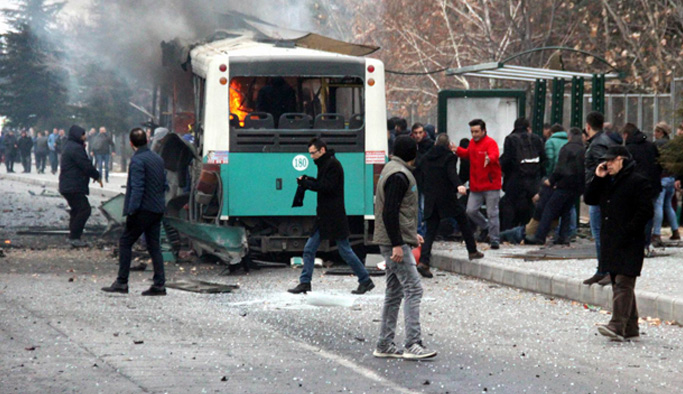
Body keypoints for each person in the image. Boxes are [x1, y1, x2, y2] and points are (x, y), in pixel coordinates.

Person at [372, 135, 436, 360]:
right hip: (393, 244)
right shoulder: (400, 175)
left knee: (394, 292)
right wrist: (398, 244)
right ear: (413, 153)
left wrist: (410, 235)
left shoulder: (391, 170)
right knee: (414, 289)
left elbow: (397, 213)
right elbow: (390, 212)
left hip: (391, 240)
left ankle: (385, 343)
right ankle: (413, 344)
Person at [288, 138, 375, 295]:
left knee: (344, 250)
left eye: (313, 153)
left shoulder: (332, 165)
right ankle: (305, 282)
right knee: (311, 249)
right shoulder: (327, 164)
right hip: (326, 216)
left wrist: (307, 184)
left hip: (332, 216)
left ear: (322, 150)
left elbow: (326, 187)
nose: (311, 157)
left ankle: (365, 279)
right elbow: (324, 184)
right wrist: (308, 180)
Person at [584, 146, 653, 342]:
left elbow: (646, 211)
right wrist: (598, 177)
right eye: (606, 161)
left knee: (624, 281)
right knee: (618, 281)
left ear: (622, 160)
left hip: (630, 240)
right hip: (611, 240)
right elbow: (590, 198)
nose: (608, 164)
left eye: (612, 161)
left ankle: (616, 324)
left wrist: (629, 230)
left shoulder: (638, 181)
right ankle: (630, 326)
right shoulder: (607, 181)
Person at [102, 128, 168, 296]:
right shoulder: (157, 159)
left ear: (131, 144)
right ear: (146, 140)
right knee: (155, 247)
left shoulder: (138, 161)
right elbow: (164, 185)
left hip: (142, 210)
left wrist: (131, 211)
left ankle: (122, 282)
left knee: (125, 242)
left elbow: (137, 188)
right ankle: (159, 285)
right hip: (157, 209)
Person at [415, 133, 483, 278]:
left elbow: (419, 173)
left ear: (435, 144)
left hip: (431, 198)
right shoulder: (449, 157)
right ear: (448, 145)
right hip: (446, 197)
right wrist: (459, 185)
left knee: (431, 231)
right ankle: (472, 250)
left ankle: (423, 262)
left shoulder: (426, 157)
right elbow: (451, 173)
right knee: (463, 220)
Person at [525, 127, 585, 245]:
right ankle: (563, 237)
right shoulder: (583, 149)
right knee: (566, 210)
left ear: (570, 136)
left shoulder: (567, 148)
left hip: (564, 184)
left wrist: (551, 181)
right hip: (577, 186)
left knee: (550, 208)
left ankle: (540, 236)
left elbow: (560, 168)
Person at [582, 112, 618, 286]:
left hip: (599, 194)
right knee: (600, 233)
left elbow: (603, 168)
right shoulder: (605, 141)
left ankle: (605, 270)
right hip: (601, 193)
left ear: (588, 126)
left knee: (600, 233)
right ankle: (602, 269)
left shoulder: (597, 145)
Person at [456, 119, 502, 249]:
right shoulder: (472, 143)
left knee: (492, 212)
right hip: (476, 184)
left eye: (476, 131)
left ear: (483, 131)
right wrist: (457, 150)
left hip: (490, 184)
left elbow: (495, 154)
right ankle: (487, 226)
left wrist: (490, 158)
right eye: (472, 132)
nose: (474, 134)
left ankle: (494, 239)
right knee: (471, 211)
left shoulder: (490, 143)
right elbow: (467, 154)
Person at [58, 125, 102, 248]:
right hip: (73, 185)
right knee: (84, 209)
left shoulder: (70, 145)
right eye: (83, 134)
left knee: (76, 210)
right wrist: (96, 175)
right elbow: (85, 165)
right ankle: (74, 237)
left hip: (69, 185)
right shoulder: (75, 148)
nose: (85, 136)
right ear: (77, 135)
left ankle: (73, 236)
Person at [500, 118, 547, 231]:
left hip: (515, 179)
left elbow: (506, 159)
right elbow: (544, 159)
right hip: (533, 180)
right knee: (530, 207)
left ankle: (509, 231)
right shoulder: (536, 138)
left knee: (510, 206)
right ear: (527, 127)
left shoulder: (510, 139)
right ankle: (529, 231)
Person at [622, 123, 662, 256]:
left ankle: (635, 244)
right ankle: (646, 243)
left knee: (633, 215)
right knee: (648, 214)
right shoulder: (651, 146)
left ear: (626, 135)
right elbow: (659, 164)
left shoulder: (628, 149)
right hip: (653, 186)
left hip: (635, 186)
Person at [652, 122, 680, 244]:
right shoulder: (673, 145)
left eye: (656, 131)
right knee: (668, 205)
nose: (654, 134)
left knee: (658, 205)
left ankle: (656, 233)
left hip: (661, 178)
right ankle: (675, 231)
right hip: (671, 178)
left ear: (661, 132)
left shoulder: (656, 145)